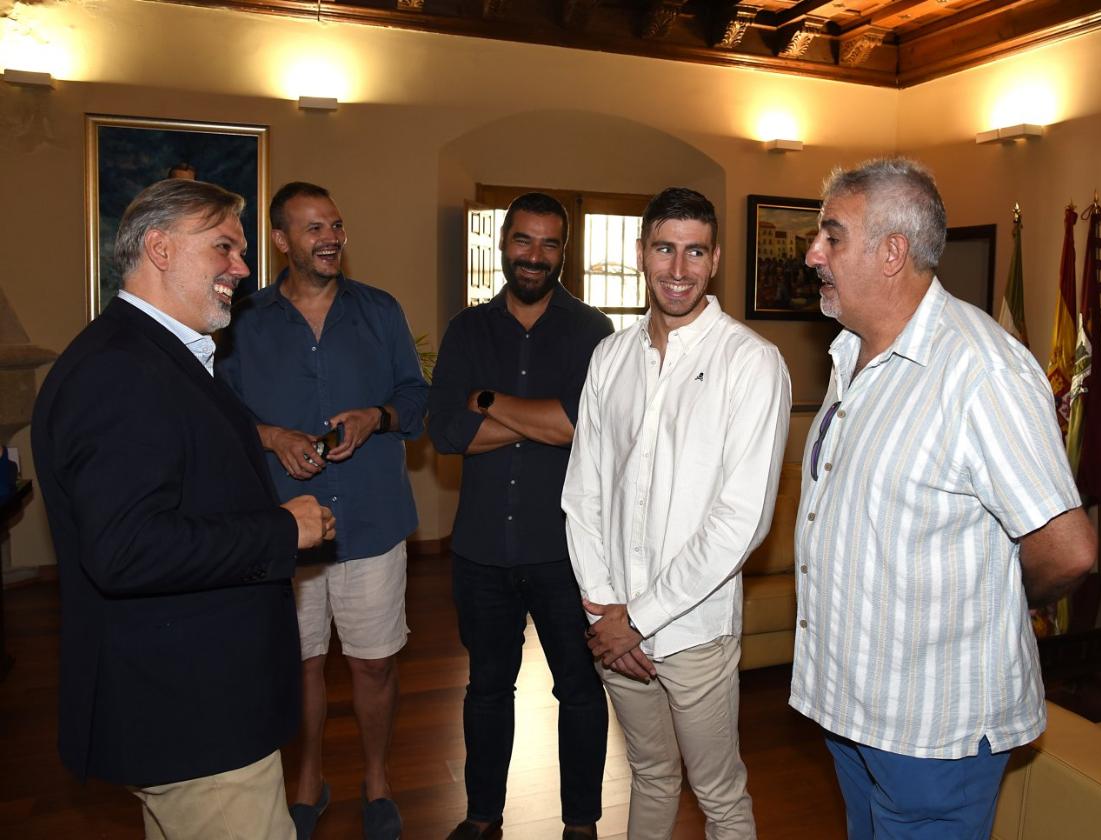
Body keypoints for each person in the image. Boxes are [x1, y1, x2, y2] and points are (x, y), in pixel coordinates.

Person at [789, 158, 1097, 839]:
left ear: (892, 252)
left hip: (932, 732)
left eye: (832, 236)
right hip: (853, 708)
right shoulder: (853, 356)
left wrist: (994, 602)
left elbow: (1068, 551)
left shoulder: (979, 371)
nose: (814, 254)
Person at [32, 178, 335, 839]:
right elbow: (126, 550)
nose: (244, 268)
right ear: (160, 248)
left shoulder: (157, 355)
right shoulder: (121, 370)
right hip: (193, 713)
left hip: (192, 703)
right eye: (224, 247)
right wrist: (281, 530)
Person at [562, 187, 792, 839]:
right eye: (665, 249)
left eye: (695, 251)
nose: (679, 268)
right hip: (614, 626)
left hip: (693, 632)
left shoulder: (751, 363)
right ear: (642, 254)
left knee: (718, 794)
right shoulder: (611, 356)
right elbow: (583, 492)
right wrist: (605, 611)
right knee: (651, 774)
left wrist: (636, 619)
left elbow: (742, 520)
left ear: (714, 258)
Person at [216, 181, 428, 840]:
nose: (330, 237)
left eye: (335, 224)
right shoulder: (242, 321)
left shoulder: (380, 311)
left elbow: (417, 402)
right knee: (302, 664)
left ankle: (376, 778)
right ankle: (308, 779)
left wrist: (376, 416)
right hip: (286, 527)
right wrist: (272, 437)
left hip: (372, 520)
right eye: (312, 228)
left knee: (373, 663)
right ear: (280, 241)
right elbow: (218, 418)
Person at [428, 192, 613, 840]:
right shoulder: (466, 330)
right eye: (523, 241)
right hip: (480, 550)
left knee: (581, 693)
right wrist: (539, 419)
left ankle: (582, 824)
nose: (534, 256)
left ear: (565, 251)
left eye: (549, 243)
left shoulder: (593, 333)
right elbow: (448, 433)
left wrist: (489, 401)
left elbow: (584, 427)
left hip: (565, 551)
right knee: (486, 691)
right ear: (503, 242)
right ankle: (483, 818)